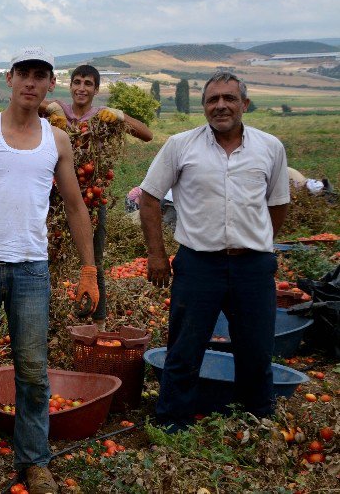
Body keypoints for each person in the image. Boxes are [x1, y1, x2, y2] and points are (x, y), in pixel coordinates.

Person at [0, 47, 99, 494]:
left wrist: (89, 269)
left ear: (51, 84)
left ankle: (34, 460)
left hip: (31, 267)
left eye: (40, 76)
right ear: (10, 78)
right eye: (24, 74)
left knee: (33, 368)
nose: (31, 83)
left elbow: (73, 205)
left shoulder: (57, 140)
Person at [140, 71, 290, 432]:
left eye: (229, 98)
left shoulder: (270, 148)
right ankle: (173, 422)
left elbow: (278, 204)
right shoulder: (180, 145)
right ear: (204, 106)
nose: (221, 105)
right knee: (184, 349)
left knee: (255, 351)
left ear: (244, 104)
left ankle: (257, 422)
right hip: (198, 264)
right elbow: (148, 199)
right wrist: (158, 256)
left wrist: (259, 242)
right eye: (212, 100)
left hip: (252, 266)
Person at [43, 65, 154, 329]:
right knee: (46, 258)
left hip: (92, 200)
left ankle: (99, 323)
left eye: (88, 84)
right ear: (69, 86)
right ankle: (45, 317)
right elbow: (28, 101)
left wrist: (119, 115)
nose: (82, 88)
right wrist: (51, 108)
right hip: (55, 198)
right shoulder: (60, 110)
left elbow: (147, 134)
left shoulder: (100, 117)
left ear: (96, 89)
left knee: (94, 261)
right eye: (77, 82)